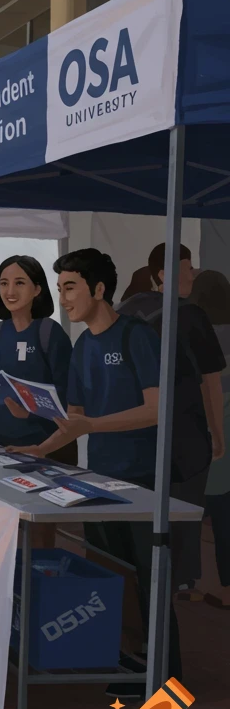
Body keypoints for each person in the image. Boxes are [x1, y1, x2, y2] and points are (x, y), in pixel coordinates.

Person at [12, 248, 181, 697]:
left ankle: (167, 671)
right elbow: (75, 419)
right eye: (60, 288)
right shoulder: (84, 345)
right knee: (114, 571)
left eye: (71, 287)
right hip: (100, 477)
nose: (63, 298)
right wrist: (39, 447)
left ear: (99, 289)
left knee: (149, 575)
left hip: (144, 477)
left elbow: (155, 409)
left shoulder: (136, 336)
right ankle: (131, 659)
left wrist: (90, 427)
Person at [117, 243, 224, 593]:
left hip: (136, 427)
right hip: (185, 429)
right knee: (185, 509)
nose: (192, 275)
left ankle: (142, 575)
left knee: (143, 506)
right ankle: (179, 581)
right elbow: (210, 381)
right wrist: (218, 434)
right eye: (187, 267)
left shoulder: (126, 310)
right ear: (164, 274)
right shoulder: (191, 315)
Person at [0, 256, 74, 458]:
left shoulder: (50, 332)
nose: (10, 291)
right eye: (4, 283)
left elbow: (69, 396)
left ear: (37, 289)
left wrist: (28, 412)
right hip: (2, 439)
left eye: (19, 283)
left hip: (48, 443)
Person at [190, 269, 230, 590]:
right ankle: (227, 586)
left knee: (190, 514)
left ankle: (191, 583)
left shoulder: (193, 333)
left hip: (200, 438)